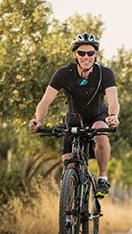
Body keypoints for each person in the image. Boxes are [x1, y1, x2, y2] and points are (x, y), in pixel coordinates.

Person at [29, 32, 120, 198]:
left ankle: (102, 177)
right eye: (82, 53)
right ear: (75, 55)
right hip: (73, 120)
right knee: (69, 166)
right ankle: (69, 215)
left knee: (101, 134)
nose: (86, 57)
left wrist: (113, 116)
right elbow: (45, 102)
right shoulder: (63, 73)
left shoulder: (105, 74)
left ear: (96, 55)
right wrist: (38, 121)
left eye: (90, 53)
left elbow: (113, 102)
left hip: (97, 116)